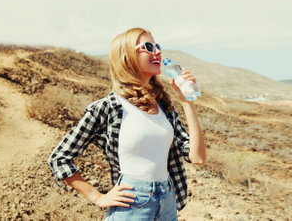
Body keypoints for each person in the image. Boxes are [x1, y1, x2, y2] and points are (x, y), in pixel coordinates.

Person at [48, 27, 206, 220]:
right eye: (148, 47)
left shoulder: (164, 106)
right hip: (133, 203)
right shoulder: (108, 108)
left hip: (168, 202)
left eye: (157, 46)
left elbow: (197, 157)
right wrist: (97, 197)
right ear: (126, 57)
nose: (157, 51)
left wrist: (187, 102)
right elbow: (60, 158)